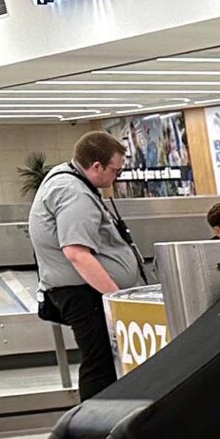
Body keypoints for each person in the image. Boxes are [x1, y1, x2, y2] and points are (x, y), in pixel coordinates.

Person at [27, 131, 144, 401]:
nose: (117, 176)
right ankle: (96, 428)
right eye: (116, 170)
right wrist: (116, 299)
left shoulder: (64, 177)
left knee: (100, 360)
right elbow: (77, 252)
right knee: (100, 362)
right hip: (84, 293)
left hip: (80, 291)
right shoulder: (74, 193)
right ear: (96, 167)